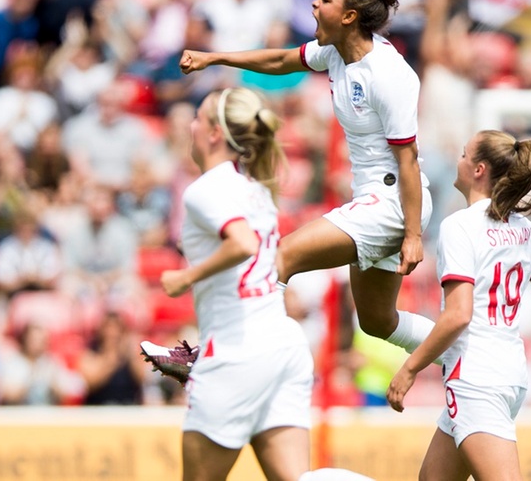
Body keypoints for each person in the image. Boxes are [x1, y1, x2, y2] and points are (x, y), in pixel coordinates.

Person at [149, 0, 436, 381]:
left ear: (350, 16)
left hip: (392, 204)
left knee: (278, 258)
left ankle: (213, 355)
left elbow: (407, 160)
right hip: (375, 202)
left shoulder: (389, 75)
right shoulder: (337, 52)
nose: (314, 5)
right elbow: (282, 60)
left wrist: (412, 235)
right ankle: (464, 356)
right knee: (377, 322)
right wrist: (216, 57)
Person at [142, 87, 370, 481]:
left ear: (215, 133)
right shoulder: (257, 192)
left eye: (198, 117)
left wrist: (185, 277)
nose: (190, 126)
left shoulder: (206, 189)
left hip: (235, 354)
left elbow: (243, 244)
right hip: (283, 346)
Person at [385, 130, 531, 481]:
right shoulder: (526, 230)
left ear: (478, 169)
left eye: (463, 155)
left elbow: (459, 315)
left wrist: (410, 368)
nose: (457, 161)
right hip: (509, 376)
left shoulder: (460, 227)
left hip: (475, 378)